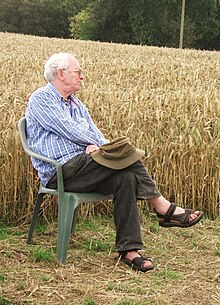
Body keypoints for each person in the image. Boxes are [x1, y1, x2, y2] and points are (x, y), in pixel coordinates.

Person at [25, 52, 204, 272]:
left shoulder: (77, 104)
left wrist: (102, 147)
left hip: (87, 169)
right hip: (61, 171)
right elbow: (69, 130)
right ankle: (162, 207)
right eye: (78, 72)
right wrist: (102, 148)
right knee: (124, 150)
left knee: (125, 176)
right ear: (60, 73)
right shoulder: (41, 98)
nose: (82, 77)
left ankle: (129, 251)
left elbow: (97, 135)